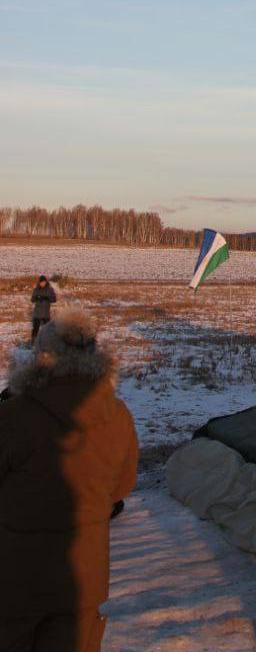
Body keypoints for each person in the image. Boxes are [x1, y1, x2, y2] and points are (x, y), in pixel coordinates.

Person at [0, 308, 138, 652]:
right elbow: (121, 487)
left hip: (15, 578)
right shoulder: (118, 414)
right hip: (84, 578)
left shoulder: (14, 416)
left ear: (41, 357)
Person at [30, 275, 57, 342]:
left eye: (44, 282)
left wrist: (47, 298)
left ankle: (47, 342)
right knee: (35, 329)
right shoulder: (36, 290)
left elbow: (54, 299)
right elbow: (32, 300)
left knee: (47, 329)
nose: (42, 283)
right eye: (41, 282)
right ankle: (33, 342)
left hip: (46, 313)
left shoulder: (50, 290)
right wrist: (37, 298)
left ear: (46, 282)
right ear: (39, 282)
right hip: (37, 313)